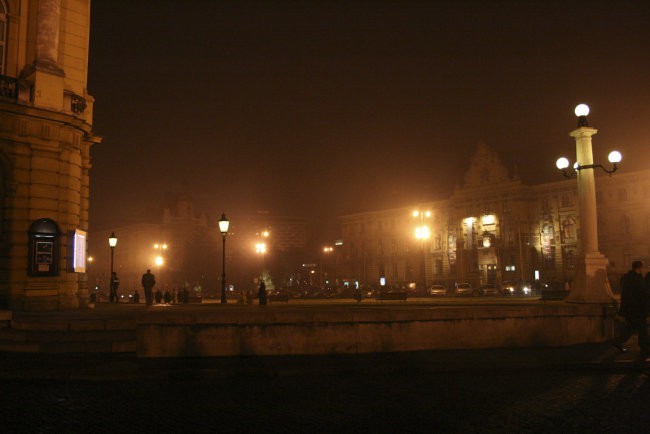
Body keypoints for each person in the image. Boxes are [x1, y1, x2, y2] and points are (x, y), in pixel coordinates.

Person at [613, 260, 650, 356]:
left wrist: (622, 311)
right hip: (637, 309)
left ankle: (618, 341)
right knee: (642, 330)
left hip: (628, 309)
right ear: (640, 268)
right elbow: (643, 296)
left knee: (630, 328)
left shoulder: (626, 278)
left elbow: (624, 295)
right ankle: (644, 349)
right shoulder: (638, 279)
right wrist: (646, 312)